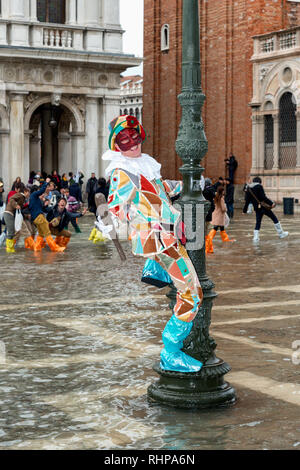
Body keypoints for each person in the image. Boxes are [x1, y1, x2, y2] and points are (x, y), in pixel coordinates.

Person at [101, 114, 203, 373]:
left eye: (135, 137)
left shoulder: (144, 166)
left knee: (189, 290)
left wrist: (187, 185)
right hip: (160, 238)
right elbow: (115, 206)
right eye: (125, 140)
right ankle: (171, 351)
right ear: (116, 145)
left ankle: (153, 267)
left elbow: (160, 190)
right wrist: (148, 220)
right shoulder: (121, 172)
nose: (133, 144)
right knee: (192, 294)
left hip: (166, 237)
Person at [243, 176, 288, 242]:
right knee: (274, 218)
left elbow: (247, 201)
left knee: (258, 222)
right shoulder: (259, 186)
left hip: (257, 208)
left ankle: (255, 238)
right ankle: (281, 233)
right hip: (264, 207)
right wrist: (271, 203)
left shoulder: (249, 188)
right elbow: (263, 197)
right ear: (259, 182)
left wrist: (244, 211)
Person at [29, 178, 65, 252]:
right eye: (38, 191)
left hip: (36, 218)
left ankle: (37, 247)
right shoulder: (33, 195)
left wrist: (46, 206)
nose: (41, 193)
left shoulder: (35, 199)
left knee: (41, 233)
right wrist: (46, 183)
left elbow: (43, 209)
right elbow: (42, 190)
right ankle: (54, 248)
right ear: (35, 191)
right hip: (39, 217)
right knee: (47, 232)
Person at [206, 185, 235, 253]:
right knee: (216, 227)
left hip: (216, 214)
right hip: (219, 215)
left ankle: (225, 239)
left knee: (221, 227)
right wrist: (225, 209)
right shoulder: (221, 198)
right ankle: (209, 239)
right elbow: (223, 208)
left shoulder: (215, 196)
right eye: (223, 190)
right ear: (222, 191)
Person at [3, 186, 31, 253]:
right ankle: (9, 249)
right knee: (11, 231)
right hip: (8, 213)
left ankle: (10, 248)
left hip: (11, 215)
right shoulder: (20, 195)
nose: (28, 195)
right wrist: (16, 205)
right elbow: (11, 198)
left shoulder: (23, 198)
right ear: (25, 192)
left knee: (13, 232)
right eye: (28, 193)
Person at [203, 178, 216, 254]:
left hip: (202, 214)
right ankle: (209, 248)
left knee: (204, 232)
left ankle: (206, 248)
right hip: (209, 214)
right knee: (207, 232)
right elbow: (213, 205)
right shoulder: (212, 191)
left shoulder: (202, 191)